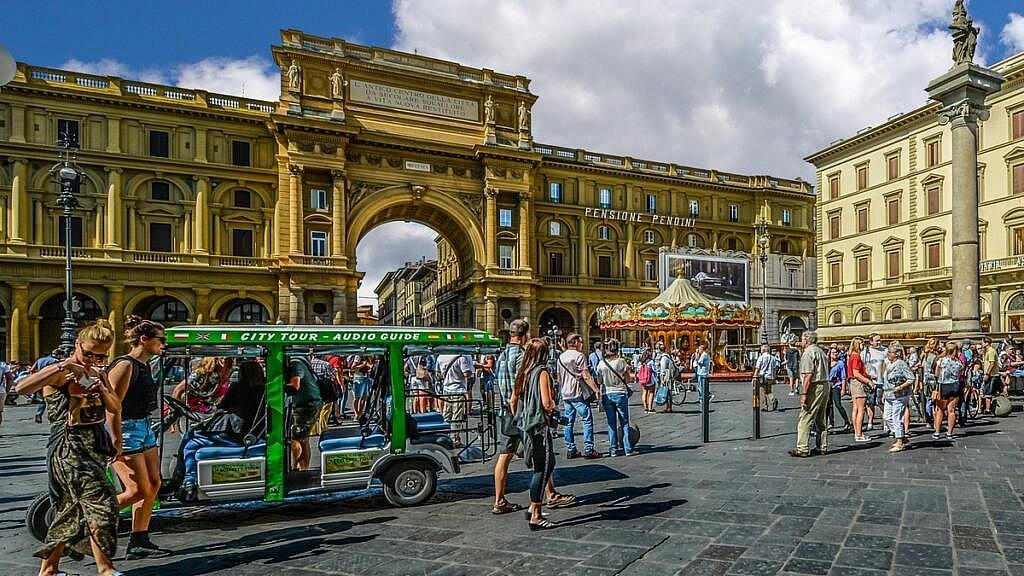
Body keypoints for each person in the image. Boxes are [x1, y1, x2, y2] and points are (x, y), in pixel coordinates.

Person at [15, 320, 124, 576]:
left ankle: (49, 569)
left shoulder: (98, 373)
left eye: (100, 355)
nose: (92, 359)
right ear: (77, 345)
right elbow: (21, 388)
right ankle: (105, 569)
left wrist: (99, 386)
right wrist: (64, 364)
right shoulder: (60, 372)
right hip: (68, 447)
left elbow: (115, 407)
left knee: (69, 509)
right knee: (103, 505)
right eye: (88, 353)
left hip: (94, 446)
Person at [492, 319, 574, 515]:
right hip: (524, 414)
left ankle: (499, 500)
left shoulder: (502, 355)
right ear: (526, 335)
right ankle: (548, 497)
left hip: (506, 413)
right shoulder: (523, 357)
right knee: (542, 454)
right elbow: (524, 386)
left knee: (504, 457)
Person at [106, 315, 170, 559]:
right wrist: (116, 440)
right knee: (136, 490)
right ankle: (90, 517)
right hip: (127, 429)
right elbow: (113, 406)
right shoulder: (125, 365)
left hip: (144, 427)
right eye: (160, 339)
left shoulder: (144, 365)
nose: (163, 344)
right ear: (143, 340)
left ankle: (139, 540)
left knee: (153, 484)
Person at [177, 361, 267, 502]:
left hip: (235, 434)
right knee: (192, 440)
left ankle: (186, 481)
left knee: (191, 442)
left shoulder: (238, 387)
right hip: (247, 432)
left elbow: (222, 407)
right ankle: (187, 480)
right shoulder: (264, 390)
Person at [510, 338, 559, 530]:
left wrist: (520, 419)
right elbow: (547, 403)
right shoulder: (542, 372)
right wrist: (554, 408)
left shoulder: (523, 372)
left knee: (548, 463)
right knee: (542, 468)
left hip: (526, 426)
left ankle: (532, 508)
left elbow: (513, 400)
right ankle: (536, 515)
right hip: (539, 426)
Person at [557, 332, 602, 459]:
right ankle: (589, 448)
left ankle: (571, 449)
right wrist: (596, 389)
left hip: (565, 394)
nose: (582, 344)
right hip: (577, 392)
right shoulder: (579, 356)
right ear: (575, 342)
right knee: (586, 419)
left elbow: (559, 378)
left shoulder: (561, 357)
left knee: (568, 422)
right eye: (580, 342)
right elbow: (586, 375)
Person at [790, 331, 829, 457]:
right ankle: (822, 446)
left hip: (815, 385)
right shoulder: (820, 351)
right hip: (825, 384)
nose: (801, 342)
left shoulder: (808, 353)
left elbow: (808, 375)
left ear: (806, 340)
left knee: (805, 416)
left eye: (802, 339)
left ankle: (802, 448)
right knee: (820, 417)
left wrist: (804, 394)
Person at [595, 338, 636, 456]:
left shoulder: (601, 364)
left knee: (611, 423)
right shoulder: (621, 362)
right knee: (624, 422)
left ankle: (613, 449)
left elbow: (599, 380)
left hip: (607, 394)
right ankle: (628, 449)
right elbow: (627, 379)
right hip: (620, 393)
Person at [285, 353, 323, 471]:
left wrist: (274, 386)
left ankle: (301, 469)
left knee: (299, 437)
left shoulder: (295, 363)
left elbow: (295, 386)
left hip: (306, 404)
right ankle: (298, 467)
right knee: (300, 437)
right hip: (309, 402)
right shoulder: (300, 360)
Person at [881, 342, 915, 453]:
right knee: (887, 417)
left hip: (899, 395)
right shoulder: (888, 363)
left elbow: (911, 378)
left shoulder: (901, 364)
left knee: (896, 417)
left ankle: (900, 441)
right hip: (888, 394)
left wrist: (900, 387)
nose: (888, 354)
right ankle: (901, 436)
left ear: (896, 354)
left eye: (890, 352)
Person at [436, 352, 474, 446]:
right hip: (458, 389)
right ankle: (454, 439)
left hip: (446, 389)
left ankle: (443, 436)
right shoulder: (461, 357)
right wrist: (471, 370)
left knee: (446, 414)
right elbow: (466, 374)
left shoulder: (441, 356)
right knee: (457, 416)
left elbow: (438, 374)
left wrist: (447, 376)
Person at [933, 341, 963, 440]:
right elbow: (959, 374)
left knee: (940, 410)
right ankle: (949, 433)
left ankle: (937, 432)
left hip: (943, 386)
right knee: (952, 410)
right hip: (955, 386)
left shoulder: (941, 361)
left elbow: (937, 374)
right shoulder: (959, 363)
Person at [861, 333, 887, 432]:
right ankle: (870, 422)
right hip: (870, 381)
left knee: (881, 402)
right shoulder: (866, 352)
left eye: (880, 340)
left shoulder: (885, 350)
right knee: (870, 403)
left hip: (881, 381)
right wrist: (867, 376)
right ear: (871, 342)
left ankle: (885, 423)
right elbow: (862, 365)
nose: (879, 342)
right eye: (877, 340)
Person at [827, 347, 851, 432]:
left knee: (838, 404)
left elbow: (843, 377)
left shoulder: (840, 363)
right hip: (828, 386)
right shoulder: (827, 363)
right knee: (828, 405)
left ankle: (847, 421)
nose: (835, 354)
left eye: (836, 352)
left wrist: (843, 388)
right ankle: (831, 423)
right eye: (833, 353)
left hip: (836, 385)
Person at [754, 344, 780, 412]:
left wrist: (754, 377)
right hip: (770, 377)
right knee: (769, 391)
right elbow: (775, 368)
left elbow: (757, 368)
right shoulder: (773, 358)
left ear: (763, 350)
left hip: (763, 377)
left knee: (762, 391)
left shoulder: (761, 357)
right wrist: (774, 377)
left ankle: (765, 406)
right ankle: (773, 399)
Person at [981, 337, 1000, 415]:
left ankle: (988, 409)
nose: (981, 344)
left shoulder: (991, 351)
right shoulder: (987, 351)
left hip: (992, 374)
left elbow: (992, 363)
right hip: (989, 374)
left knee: (988, 392)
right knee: (986, 391)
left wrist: (987, 374)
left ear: (986, 343)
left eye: (982, 342)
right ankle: (987, 407)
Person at [349, 355, 372, 420]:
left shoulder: (368, 357)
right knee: (357, 397)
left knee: (364, 397)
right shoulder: (358, 356)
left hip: (366, 378)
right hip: (358, 378)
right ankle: (356, 414)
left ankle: (360, 413)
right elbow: (352, 367)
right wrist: (363, 365)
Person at [636, 349, 659, 413]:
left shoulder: (640, 362)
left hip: (643, 379)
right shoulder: (651, 361)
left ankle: (645, 408)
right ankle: (650, 408)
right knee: (651, 393)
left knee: (644, 392)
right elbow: (655, 370)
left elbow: (638, 370)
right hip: (650, 379)